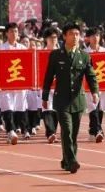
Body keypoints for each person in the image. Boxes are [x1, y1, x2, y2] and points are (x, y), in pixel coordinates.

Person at [41, 24, 99, 174]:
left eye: (77, 34)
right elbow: (48, 77)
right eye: (72, 34)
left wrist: (95, 92)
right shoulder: (56, 55)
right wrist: (45, 96)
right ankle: (72, 161)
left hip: (77, 100)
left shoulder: (84, 56)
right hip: (62, 100)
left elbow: (91, 76)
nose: (75, 37)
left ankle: (66, 161)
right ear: (65, 36)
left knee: (73, 134)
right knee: (66, 130)